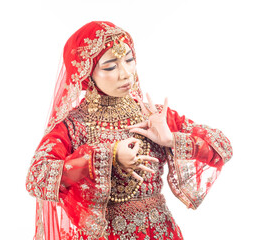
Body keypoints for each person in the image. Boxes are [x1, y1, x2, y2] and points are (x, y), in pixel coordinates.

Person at [25, 21, 233, 240]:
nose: (125, 73)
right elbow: (37, 178)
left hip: (159, 232)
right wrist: (107, 156)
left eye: (129, 60)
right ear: (87, 73)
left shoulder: (154, 116)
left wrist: (171, 139)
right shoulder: (74, 125)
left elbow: (223, 148)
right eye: (110, 66)